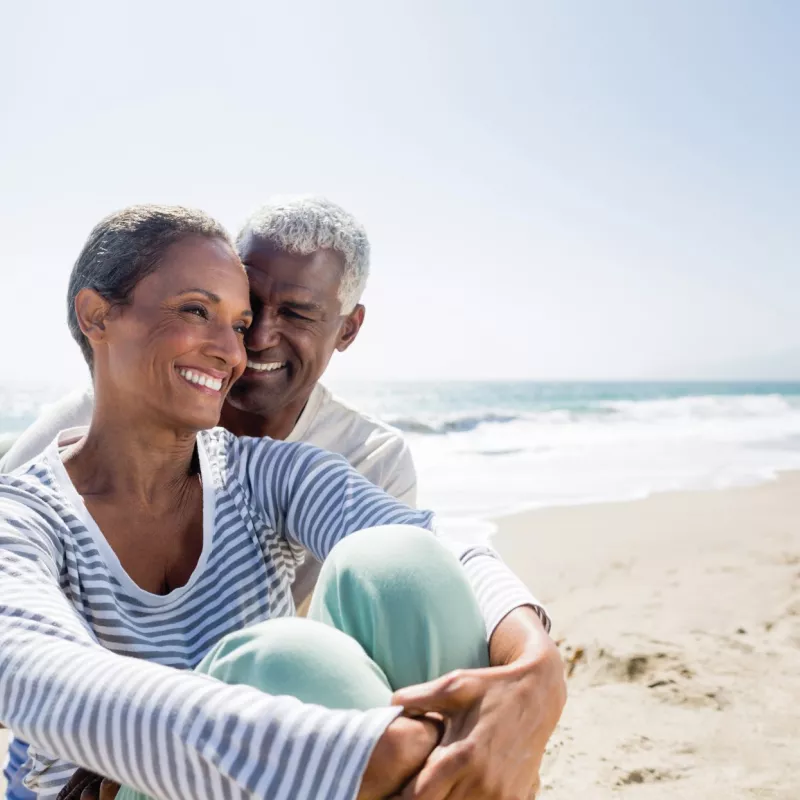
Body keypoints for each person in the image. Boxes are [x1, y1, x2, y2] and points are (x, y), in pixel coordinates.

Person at [0, 206, 566, 800]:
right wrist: (355, 754)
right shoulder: (26, 511)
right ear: (96, 315)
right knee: (285, 662)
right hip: (105, 783)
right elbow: (28, 668)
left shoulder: (271, 473)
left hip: (289, 766)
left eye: (237, 323)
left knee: (399, 558)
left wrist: (532, 660)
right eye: (197, 310)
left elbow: (435, 547)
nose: (233, 350)